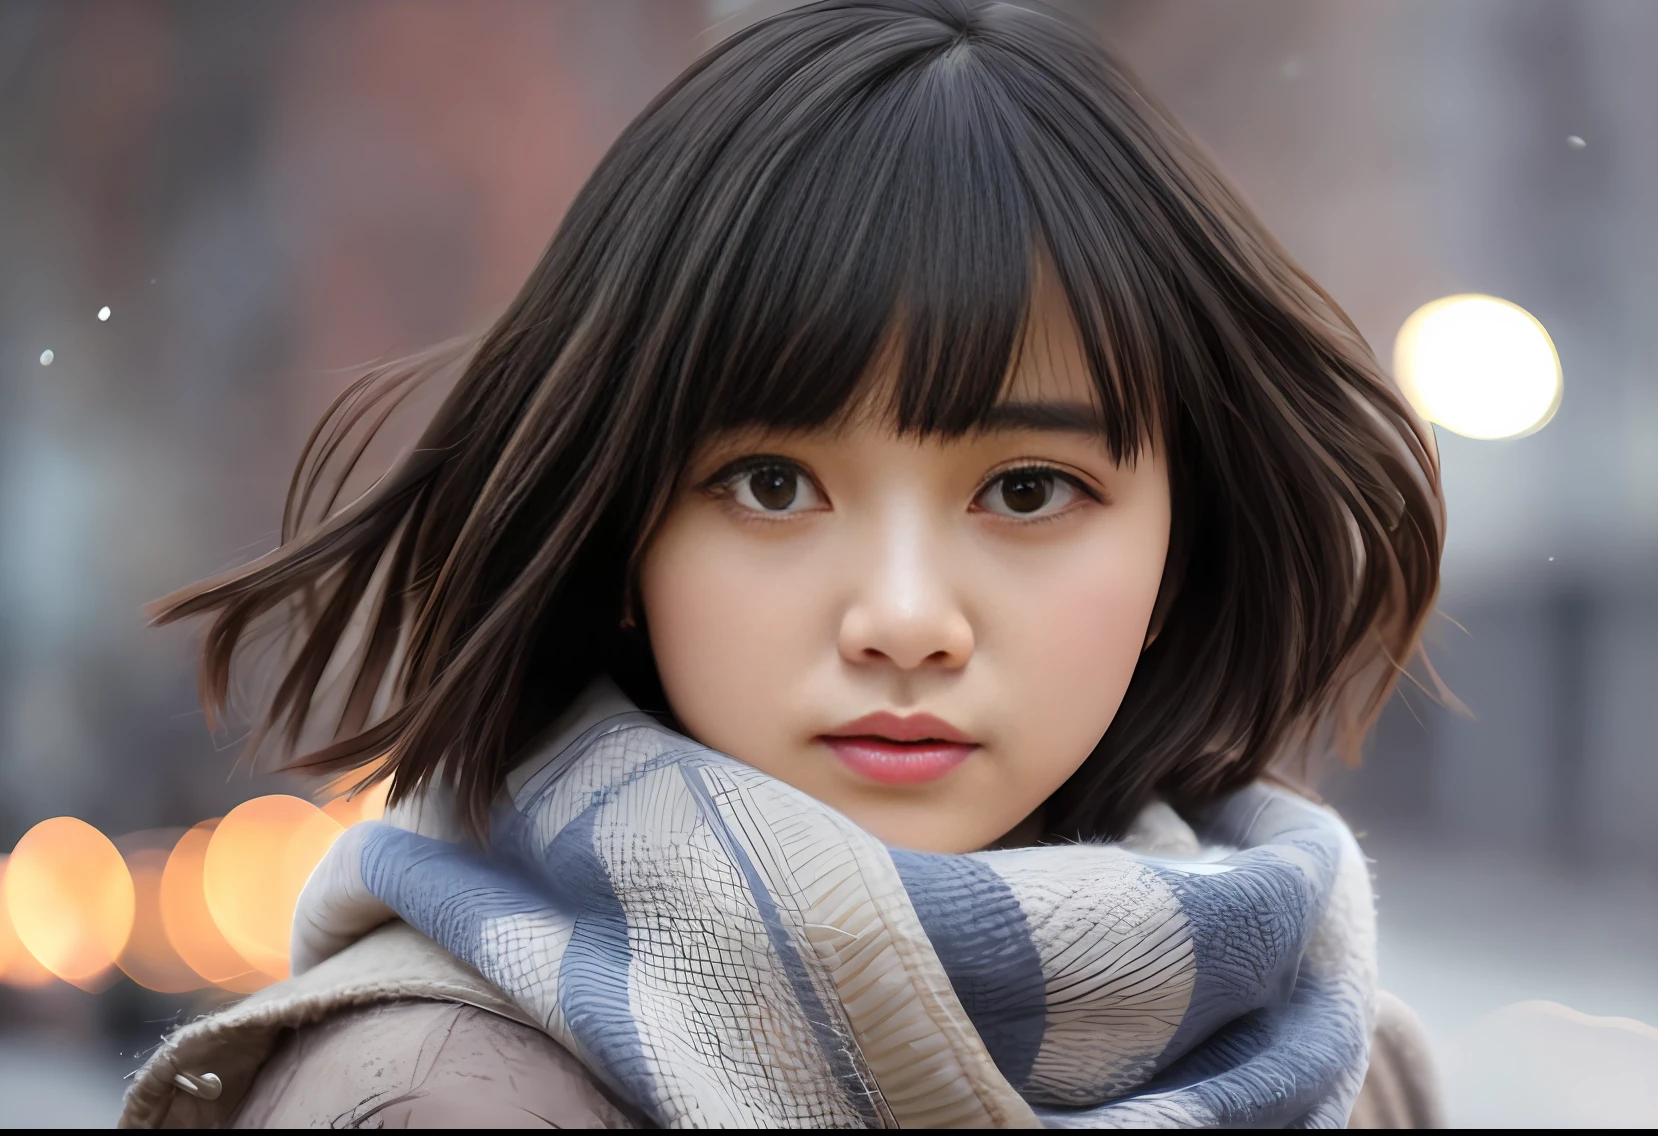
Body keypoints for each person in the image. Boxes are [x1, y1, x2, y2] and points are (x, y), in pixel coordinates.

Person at [120, 0, 1445, 1126]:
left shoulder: (1338, 1063)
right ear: (626, 532)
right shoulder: (447, 1098)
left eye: (1028, 489)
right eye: (773, 486)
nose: (907, 619)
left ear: (1181, 546)